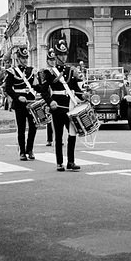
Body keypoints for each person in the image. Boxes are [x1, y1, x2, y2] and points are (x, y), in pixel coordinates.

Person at [40, 40, 86, 171]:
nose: (64, 57)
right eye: (61, 54)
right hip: (57, 108)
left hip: (70, 107)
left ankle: (71, 161)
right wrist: (50, 102)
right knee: (58, 136)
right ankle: (59, 162)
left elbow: (75, 88)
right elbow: (44, 90)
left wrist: (84, 96)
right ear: (56, 56)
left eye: (65, 54)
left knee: (72, 134)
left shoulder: (71, 71)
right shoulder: (50, 72)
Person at [4, 47, 38, 161]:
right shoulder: (12, 71)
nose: (25, 60)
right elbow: (8, 89)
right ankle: (22, 152)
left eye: (26, 57)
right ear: (18, 58)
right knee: (21, 128)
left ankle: (30, 149)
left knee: (33, 127)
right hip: (19, 103)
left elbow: (35, 86)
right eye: (22, 58)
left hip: (31, 102)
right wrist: (18, 97)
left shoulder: (31, 71)